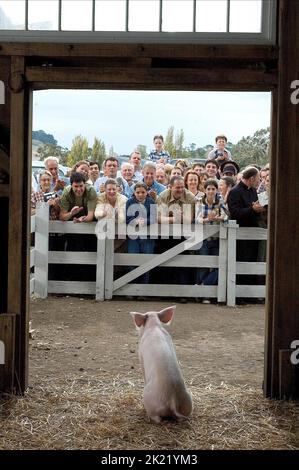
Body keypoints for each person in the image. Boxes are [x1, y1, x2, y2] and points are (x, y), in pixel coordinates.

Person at [195, 179, 228, 300]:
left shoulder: (220, 200)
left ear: (216, 189)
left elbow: (225, 215)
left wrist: (219, 218)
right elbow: (197, 219)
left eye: (213, 189)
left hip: (216, 238)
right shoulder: (199, 201)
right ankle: (201, 294)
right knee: (203, 265)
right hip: (204, 239)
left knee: (216, 266)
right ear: (205, 190)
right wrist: (209, 219)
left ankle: (204, 289)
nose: (210, 191)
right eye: (208, 189)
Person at [126, 181, 156, 285]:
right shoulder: (130, 202)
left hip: (148, 237)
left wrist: (145, 221)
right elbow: (127, 218)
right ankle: (132, 287)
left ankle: (143, 288)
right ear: (134, 192)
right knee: (132, 261)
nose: (140, 194)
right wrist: (135, 221)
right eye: (138, 192)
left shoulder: (151, 202)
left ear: (146, 192)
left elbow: (153, 218)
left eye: (142, 192)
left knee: (146, 262)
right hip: (133, 237)